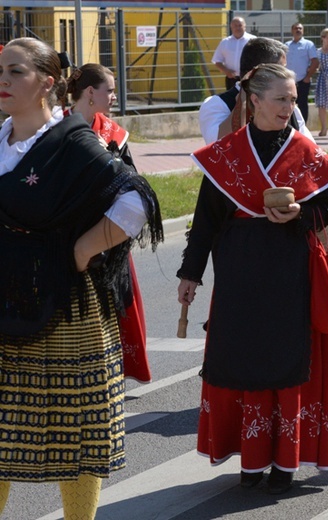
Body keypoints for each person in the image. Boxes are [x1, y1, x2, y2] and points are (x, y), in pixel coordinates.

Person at [0, 37, 162, 518]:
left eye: (15, 72)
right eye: (0, 71)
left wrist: (81, 250)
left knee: (77, 434)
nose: (3, 81)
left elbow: (136, 200)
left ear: (47, 83)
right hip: (5, 297)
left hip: (66, 308)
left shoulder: (72, 142)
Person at [177, 64, 328, 495]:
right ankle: (250, 460)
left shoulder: (306, 150)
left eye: (293, 98)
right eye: (282, 99)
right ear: (254, 101)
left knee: (286, 361)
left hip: (291, 272)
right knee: (244, 360)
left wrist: (302, 214)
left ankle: (285, 462)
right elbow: (205, 222)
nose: (291, 106)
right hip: (239, 272)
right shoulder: (226, 152)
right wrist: (190, 274)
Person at [66, 62, 153, 384]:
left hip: (108, 233)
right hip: (68, 233)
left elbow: (133, 180)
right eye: (110, 90)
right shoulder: (56, 129)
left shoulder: (114, 133)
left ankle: (111, 368)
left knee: (114, 302)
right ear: (90, 93)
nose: (115, 96)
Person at [198, 37, 312, 145]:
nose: (286, 74)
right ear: (255, 72)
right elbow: (218, 147)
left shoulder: (288, 105)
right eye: (279, 69)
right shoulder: (217, 104)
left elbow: (311, 152)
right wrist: (241, 104)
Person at [286, 23, 319, 125]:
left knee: (302, 104)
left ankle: (302, 126)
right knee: (288, 103)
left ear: (303, 31)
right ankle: (290, 126)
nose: (298, 30)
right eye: (296, 28)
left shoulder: (308, 44)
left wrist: (308, 77)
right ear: (292, 31)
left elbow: (315, 61)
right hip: (289, 81)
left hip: (302, 80)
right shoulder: (286, 45)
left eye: (300, 28)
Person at [212, 17, 254, 90]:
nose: (237, 28)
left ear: (245, 26)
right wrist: (226, 71)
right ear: (231, 27)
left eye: (240, 25)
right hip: (231, 79)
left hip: (249, 79)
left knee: (249, 100)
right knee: (232, 100)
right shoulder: (225, 42)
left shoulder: (253, 41)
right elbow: (217, 61)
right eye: (235, 26)